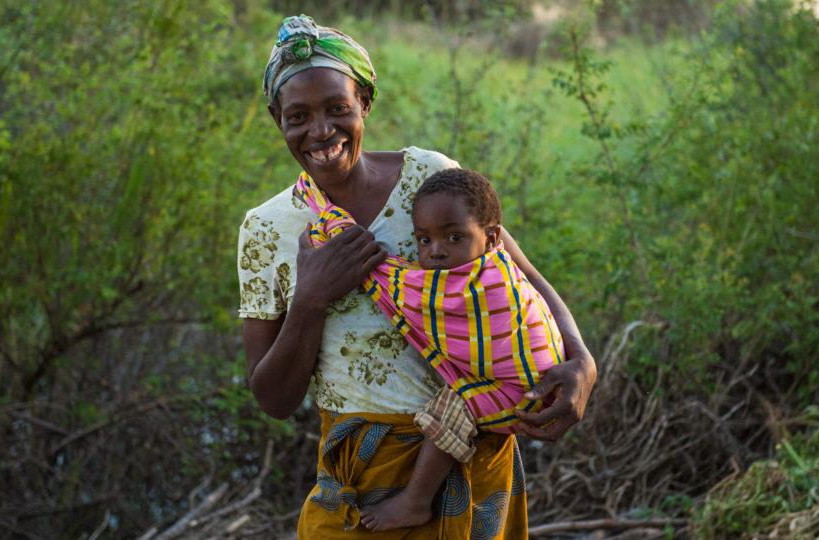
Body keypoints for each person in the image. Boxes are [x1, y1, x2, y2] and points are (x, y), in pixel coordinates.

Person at [239, 15, 597, 538]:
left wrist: (582, 361)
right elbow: (273, 399)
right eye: (298, 116)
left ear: (365, 102)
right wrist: (311, 299)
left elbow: (517, 273)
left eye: (338, 108)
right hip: (363, 475)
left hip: (476, 457)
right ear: (277, 118)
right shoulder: (268, 229)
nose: (321, 131)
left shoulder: (429, 178)